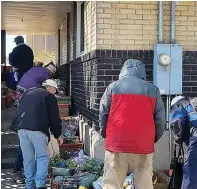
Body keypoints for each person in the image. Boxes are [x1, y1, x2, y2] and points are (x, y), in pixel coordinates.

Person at [99, 59, 166, 189]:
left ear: (123, 70)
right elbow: (160, 119)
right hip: (143, 144)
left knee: (112, 183)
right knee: (144, 182)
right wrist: (154, 138)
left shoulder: (113, 87)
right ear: (142, 72)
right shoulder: (152, 89)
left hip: (117, 143)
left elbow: (103, 113)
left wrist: (105, 134)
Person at [10, 79, 63, 189]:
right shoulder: (49, 96)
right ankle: (40, 185)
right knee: (42, 157)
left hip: (21, 129)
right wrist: (58, 135)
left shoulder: (27, 92)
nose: (55, 93)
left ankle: (29, 185)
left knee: (28, 159)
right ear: (51, 88)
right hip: (38, 130)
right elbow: (55, 119)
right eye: (55, 91)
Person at [170, 96, 197, 189]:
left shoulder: (178, 105)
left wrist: (177, 140)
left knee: (190, 170)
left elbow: (177, 123)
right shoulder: (192, 103)